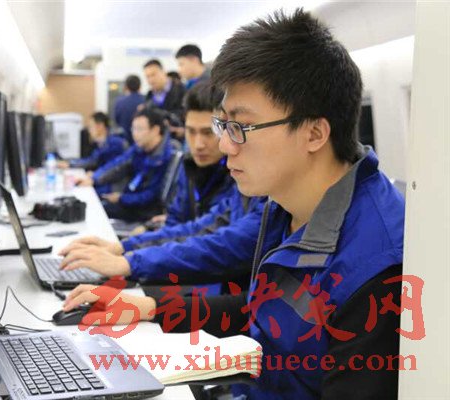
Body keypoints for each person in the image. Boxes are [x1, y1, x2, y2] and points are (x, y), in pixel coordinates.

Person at [61, 9, 405, 400]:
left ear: (313, 133)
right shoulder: (287, 205)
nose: (224, 144)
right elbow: (261, 310)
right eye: (223, 125)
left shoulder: (376, 266)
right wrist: (148, 306)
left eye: (240, 127)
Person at [77, 107, 175, 222]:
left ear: (155, 130)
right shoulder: (140, 148)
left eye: (139, 129)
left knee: (94, 211)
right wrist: (94, 178)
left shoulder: (166, 156)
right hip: (131, 200)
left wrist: (122, 198)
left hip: (145, 211)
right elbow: (118, 164)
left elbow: (152, 195)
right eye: (133, 129)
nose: (134, 134)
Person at [164, 81, 234, 227]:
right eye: (191, 131)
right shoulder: (188, 165)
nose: (198, 145)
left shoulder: (241, 174)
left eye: (208, 132)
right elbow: (175, 218)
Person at [57, 112, 128, 195]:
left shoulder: (115, 143)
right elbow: (93, 160)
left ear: (100, 126)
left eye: (91, 126)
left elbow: (108, 166)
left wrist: (94, 176)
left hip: (115, 188)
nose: (89, 131)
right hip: (105, 181)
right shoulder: (102, 143)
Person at [143, 59, 186, 136]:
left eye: (153, 75)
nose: (151, 80)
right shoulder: (149, 96)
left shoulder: (182, 90)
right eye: (147, 77)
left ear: (163, 72)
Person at [113, 75, 145, 144]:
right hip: (143, 140)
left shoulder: (119, 102)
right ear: (140, 86)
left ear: (126, 87)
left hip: (125, 140)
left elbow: (116, 121)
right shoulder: (146, 100)